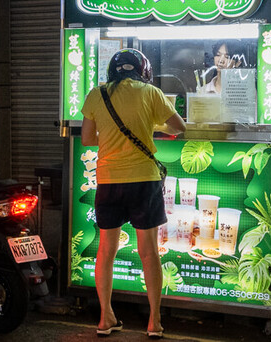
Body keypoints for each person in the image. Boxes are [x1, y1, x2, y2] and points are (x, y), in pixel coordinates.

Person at [81, 49, 186, 338]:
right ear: (143, 70)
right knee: (148, 252)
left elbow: (87, 139)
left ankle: (105, 318)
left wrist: (111, 135)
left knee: (106, 251)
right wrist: (151, 125)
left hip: (109, 180)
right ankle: (154, 321)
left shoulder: (96, 94)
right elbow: (180, 127)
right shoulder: (151, 92)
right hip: (143, 180)